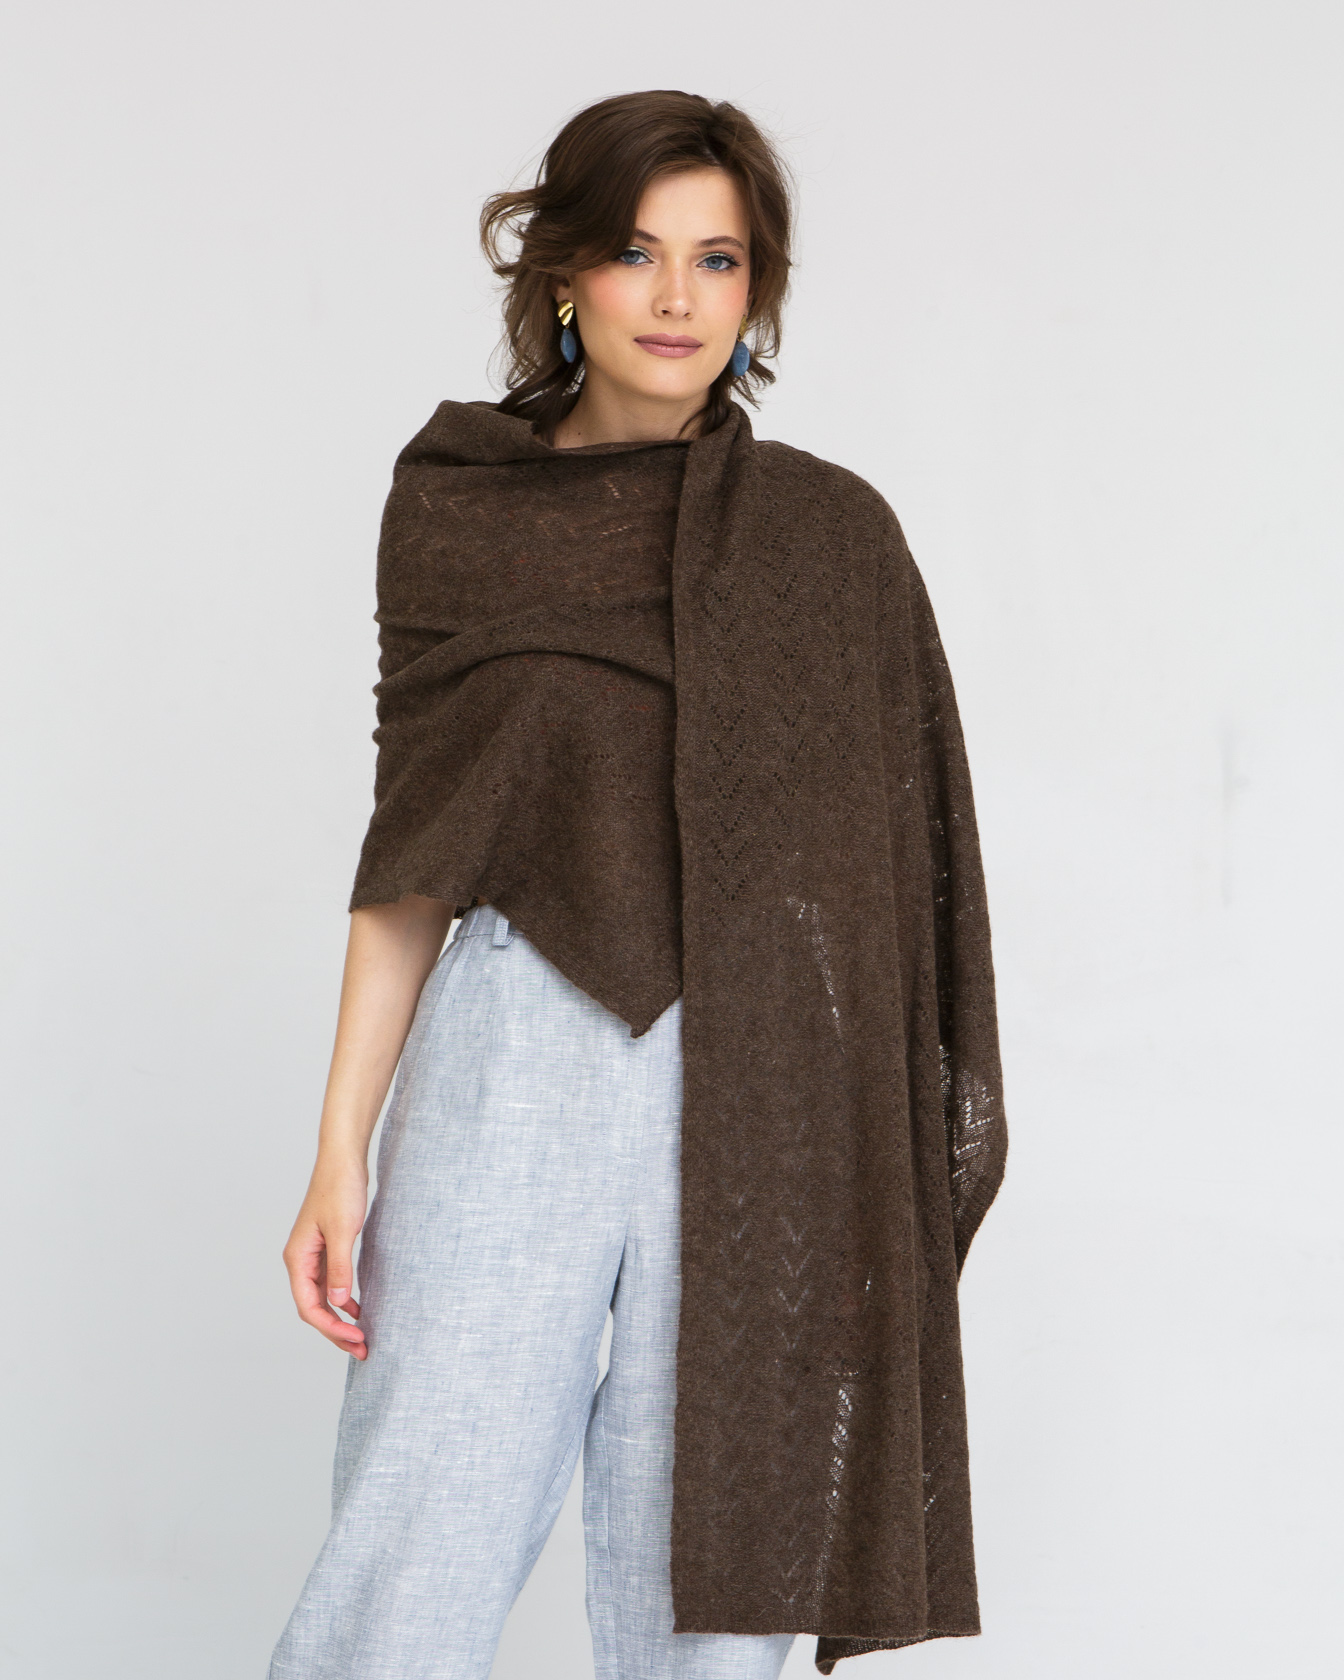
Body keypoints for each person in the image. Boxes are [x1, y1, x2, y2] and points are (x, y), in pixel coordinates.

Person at [267, 90, 1007, 1680]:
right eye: (635, 253)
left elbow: (891, 876)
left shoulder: (833, 537)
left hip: (770, 1082)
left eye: (717, 260)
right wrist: (339, 1149)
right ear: (564, 276)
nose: (678, 298)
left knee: (719, 1597)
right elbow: (416, 851)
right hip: (519, 1034)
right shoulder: (458, 505)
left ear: (757, 292)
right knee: (418, 1529)